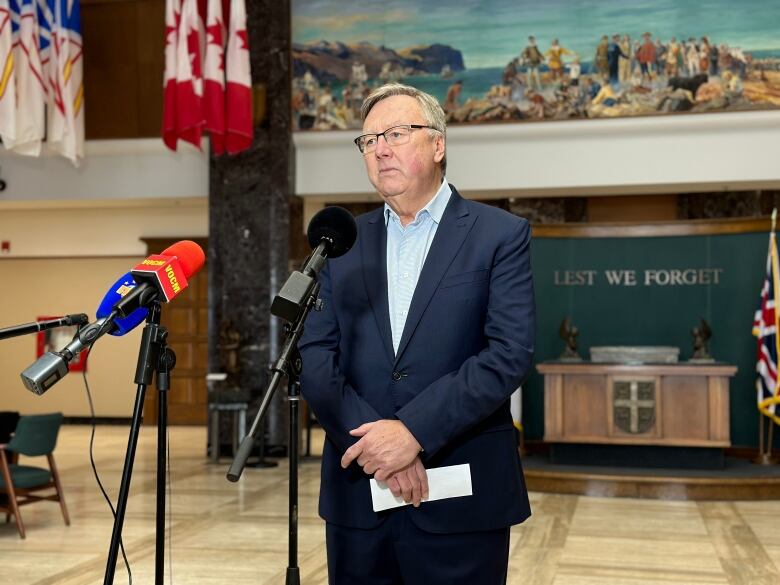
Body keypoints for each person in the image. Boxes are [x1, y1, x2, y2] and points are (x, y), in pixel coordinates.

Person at [299, 82, 535, 584]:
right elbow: (316, 356)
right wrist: (379, 452)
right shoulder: (338, 244)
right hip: (358, 500)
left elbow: (508, 354)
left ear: (438, 144)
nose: (380, 148)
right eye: (368, 140)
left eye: (398, 132)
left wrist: (413, 434)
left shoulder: (499, 235)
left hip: (462, 504)